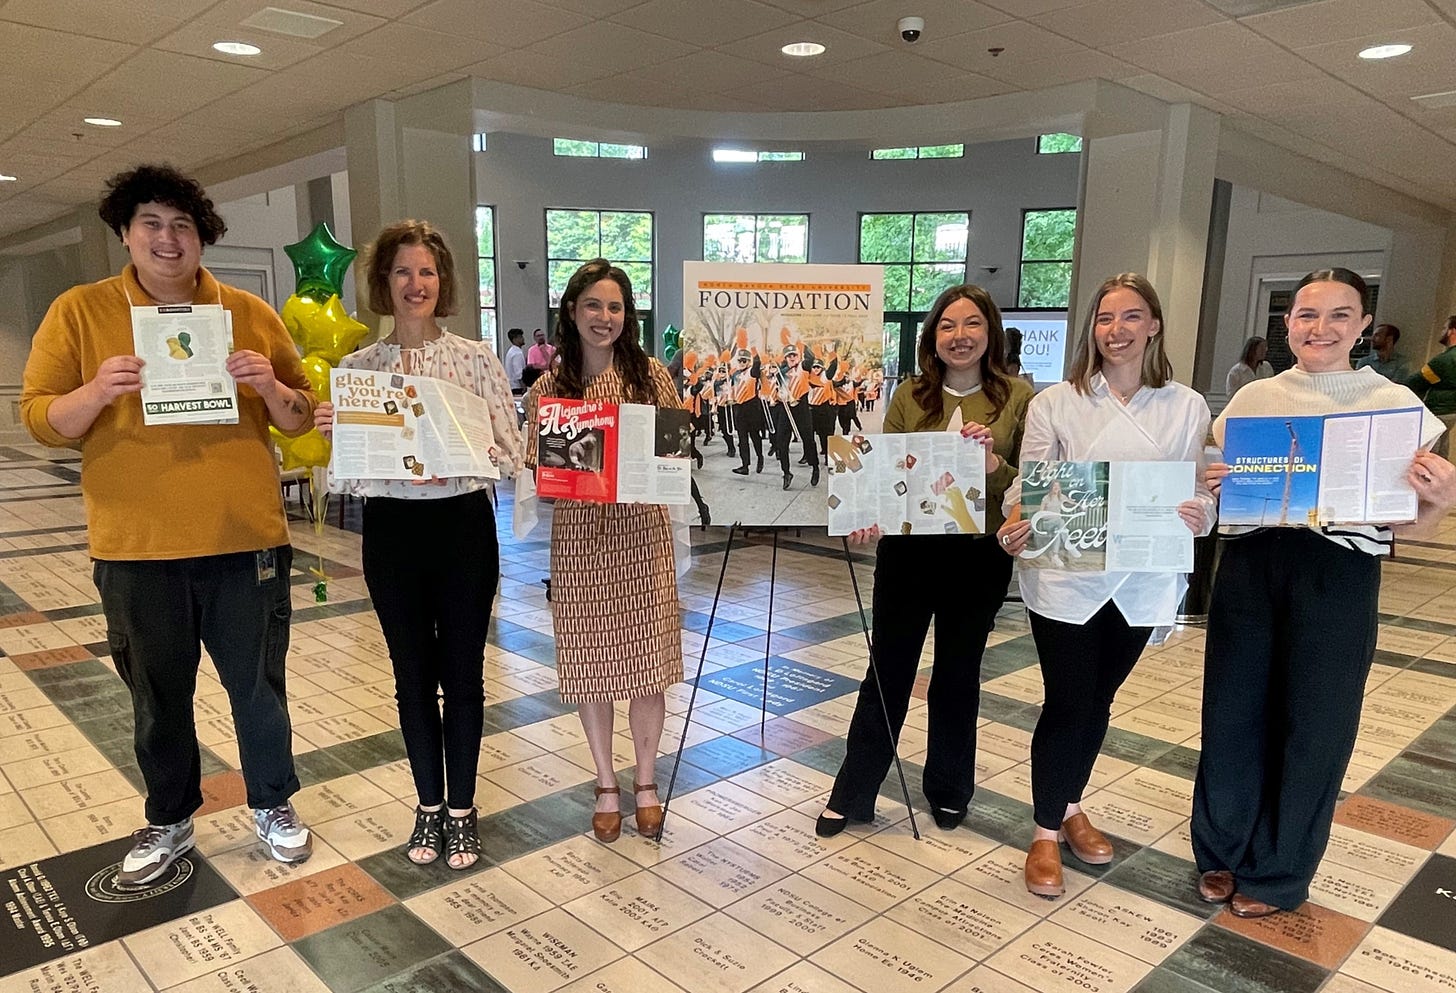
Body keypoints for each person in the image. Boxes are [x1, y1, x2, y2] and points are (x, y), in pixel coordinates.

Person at [20, 164, 318, 886]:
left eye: (183, 225)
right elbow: (39, 418)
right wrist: (95, 391)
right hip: (136, 547)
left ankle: (273, 805)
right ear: (125, 233)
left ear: (202, 237)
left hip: (244, 541)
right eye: (151, 223)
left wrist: (270, 386)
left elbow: (302, 417)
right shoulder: (80, 312)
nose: (167, 238)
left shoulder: (248, 312)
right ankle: (170, 816)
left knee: (258, 688)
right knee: (157, 695)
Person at [1194, 269, 1455, 918]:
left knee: (1315, 723)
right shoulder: (1255, 400)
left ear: (1364, 325)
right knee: (1231, 711)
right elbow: (1213, 487)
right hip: (1251, 567)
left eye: (1340, 315)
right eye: (1308, 315)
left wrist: (1437, 503)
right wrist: (1212, 483)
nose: (1321, 328)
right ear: (1288, 325)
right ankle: (1221, 847)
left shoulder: (1393, 406)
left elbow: (1406, 529)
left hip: (1338, 572)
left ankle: (1279, 871)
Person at [997, 273, 1214, 899]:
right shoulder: (1056, 403)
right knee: (1067, 701)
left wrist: (1204, 513)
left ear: (1154, 326)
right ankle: (1043, 831)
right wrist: (1016, 525)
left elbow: (1199, 490)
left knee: (1098, 702)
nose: (1115, 330)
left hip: (1143, 581)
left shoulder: (1186, 405)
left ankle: (1069, 808)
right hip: (1068, 579)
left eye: (1130, 317)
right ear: (1090, 328)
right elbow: (1028, 489)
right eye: (1103, 318)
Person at [314, 220, 522, 870]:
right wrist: (335, 429)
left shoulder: (476, 361)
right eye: (402, 271)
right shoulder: (358, 371)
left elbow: (514, 455)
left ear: (443, 281)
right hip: (393, 532)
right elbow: (349, 472)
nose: (415, 283)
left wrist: (482, 444)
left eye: (426, 271)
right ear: (384, 282)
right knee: (411, 680)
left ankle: (462, 809)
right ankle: (427, 804)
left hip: (462, 526)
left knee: (463, 676)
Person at [817, 285, 1032, 837]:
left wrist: (992, 464)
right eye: (947, 326)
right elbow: (887, 473)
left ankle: (950, 788)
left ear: (990, 332)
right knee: (887, 672)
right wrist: (868, 511)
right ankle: (855, 789)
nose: (959, 336)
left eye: (971, 325)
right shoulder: (910, 395)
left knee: (958, 676)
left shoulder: (1019, 397)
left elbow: (1026, 488)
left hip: (978, 555)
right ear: (932, 337)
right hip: (909, 552)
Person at [523, 258, 683, 843]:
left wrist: (650, 464)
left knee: (648, 667)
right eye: (593, 305)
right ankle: (604, 781)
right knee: (591, 667)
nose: (604, 317)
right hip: (581, 542)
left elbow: (673, 458)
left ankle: (645, 781)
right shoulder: (549, 390)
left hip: (642, 538)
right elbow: (535, 470)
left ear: (627, 316)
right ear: (571, 311)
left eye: (615, 307)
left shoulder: (652, 379)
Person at [1408, 316, 1456, 459]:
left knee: (1430, 452)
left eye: (1444, 328)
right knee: (1443, 448)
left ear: (1451, 331)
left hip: (1437, 410)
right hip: (1451, 410)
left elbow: (1417, 382)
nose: (1442, 331)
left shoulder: (1445, 359)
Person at [504, 327, 527, 392]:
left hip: (511, 385)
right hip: (517, 387)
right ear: (514, 339)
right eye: (520, 337)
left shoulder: (511, 351)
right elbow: (519, 373)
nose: (523, 338)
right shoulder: (517, 353)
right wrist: (524, 387)